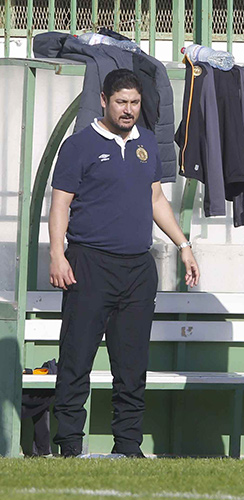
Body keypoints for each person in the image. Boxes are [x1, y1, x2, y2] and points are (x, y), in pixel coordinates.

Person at [49, 69, 200, 457]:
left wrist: (183, 244)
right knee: (76, 358)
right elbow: (61, 204)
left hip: (137, 269)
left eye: (134, 103)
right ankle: (68, 444)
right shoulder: (79, 146)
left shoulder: (146, 142)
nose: (128, 110)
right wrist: (56, 254)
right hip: (89, 263)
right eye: (121, 102)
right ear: (103, 100)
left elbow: (156, 200)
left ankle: (128, 446)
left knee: (132, 364)